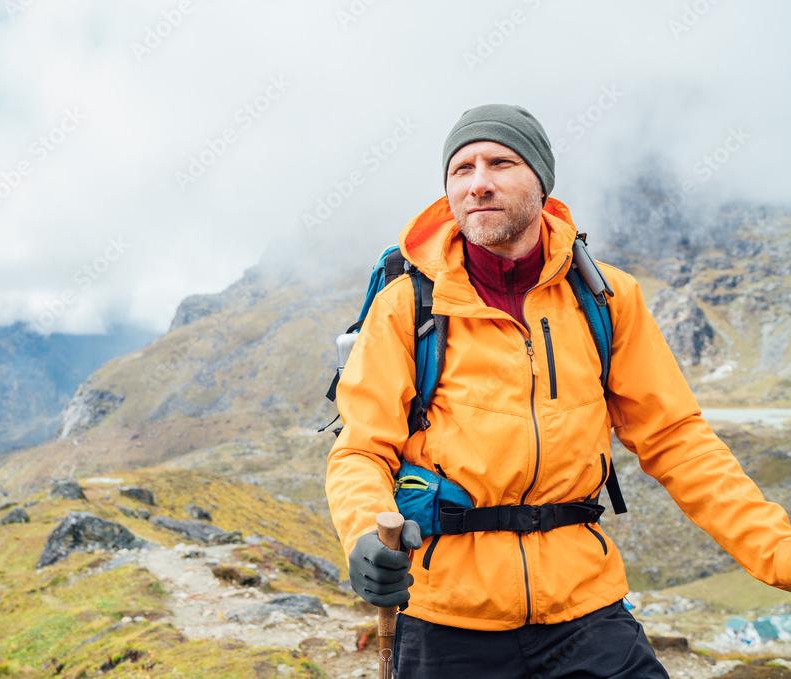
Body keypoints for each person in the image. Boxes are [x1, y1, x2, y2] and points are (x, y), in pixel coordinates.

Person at [325, 103, 791, 678]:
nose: (478, 184)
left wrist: (778, 552)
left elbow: (678, 442)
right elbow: (361, 450)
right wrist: (366, 532)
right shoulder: (407, 305)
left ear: (542, 182)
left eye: (500, 162)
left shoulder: (606, 298)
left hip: (584, 608)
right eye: (461, 170)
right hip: (445, 613)